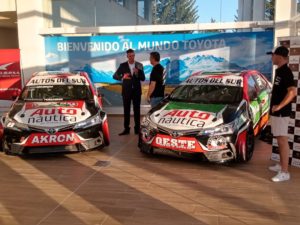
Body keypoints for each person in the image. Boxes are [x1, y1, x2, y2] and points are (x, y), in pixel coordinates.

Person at [267, 46, 297, 182]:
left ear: (279, 56)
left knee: (282, 140)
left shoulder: (286, 72)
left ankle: (285, 172)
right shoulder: (280, 71)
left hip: (281, 113)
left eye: (272, 55)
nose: (271, 57)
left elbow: (292, 92)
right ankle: (281, 166)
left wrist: (279, 106)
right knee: (279, 139)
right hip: (277, 113)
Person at [113, 49, 145, 135]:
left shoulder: (139, 65)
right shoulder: (122, 65)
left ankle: (137, 129)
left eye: (133, 55)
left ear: (134, 55)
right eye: (130, 56)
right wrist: (123, 76)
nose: (132, 57)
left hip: (137, 92)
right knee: (126, 110)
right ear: (127, 56)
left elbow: (143, 78)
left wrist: (138, 73)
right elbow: (115, 76)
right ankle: (126, 129)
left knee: (137, 110)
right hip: (126, 91)